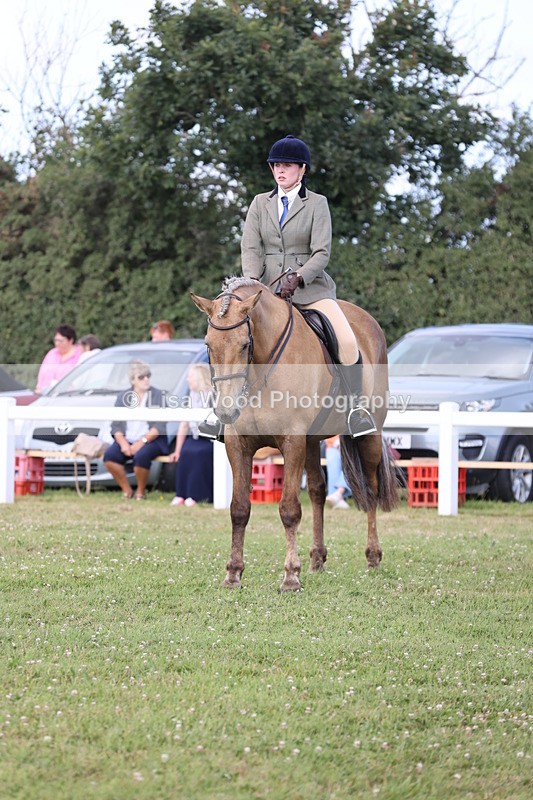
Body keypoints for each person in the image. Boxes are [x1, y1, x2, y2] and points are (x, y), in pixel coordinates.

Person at [241, 134, 377, 438]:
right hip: (266, 293)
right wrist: (252, 284)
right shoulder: (259, 203)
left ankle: (356, 409)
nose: (280, 170)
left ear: (302, 169)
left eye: (287, 165)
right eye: (276, 165)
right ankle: (225, 408)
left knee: (346, 340)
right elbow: (250, 248)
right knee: (233, 335)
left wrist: (299, 276)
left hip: (311, 291)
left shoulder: (317, 203)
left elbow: (322, 253)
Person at [103, 359, 169, 500]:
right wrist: (123, 444)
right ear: (133, 380)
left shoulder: (158, 395)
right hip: (128, 439)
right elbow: (115, 426)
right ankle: (127, 490)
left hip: (153, 440)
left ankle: (141, 491)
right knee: (109, 456)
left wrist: (141, 442)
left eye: (148, 376)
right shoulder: (122, 397)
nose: (146, 380)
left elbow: (160, 426)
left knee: (141, 456)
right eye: (141, 377)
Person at [169, 363, 214, 506]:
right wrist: (177, 450)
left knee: (199, 453)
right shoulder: (191, 395)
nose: (188, 379)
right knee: (186, 451)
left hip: (213, 439)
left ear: (200, 377)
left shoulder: (214, 395)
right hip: (196, 436)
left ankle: (198, 495)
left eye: (190, 376)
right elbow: (184, 424)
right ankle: (181, 494)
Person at [36, 324, 81, 393]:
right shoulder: (52, 354)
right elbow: (41, 373)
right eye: (56, 340)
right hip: (45, 394)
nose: (57, 343)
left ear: (71, 340)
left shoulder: (79, 355)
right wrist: (38, 389)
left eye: (61, 341)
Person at [324, 435, 350, 509]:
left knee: (353, 461)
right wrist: (337, 442)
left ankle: (338, 493)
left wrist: (345, 443)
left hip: (353, 445)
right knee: (332, 455)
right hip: (334, 444)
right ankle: (337, 497)